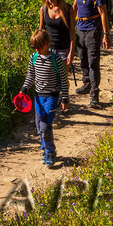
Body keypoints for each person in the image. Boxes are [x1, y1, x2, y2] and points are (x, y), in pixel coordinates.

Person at [19, 28, 69, 168]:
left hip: (51, 97)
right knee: (38, 125)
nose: (37, 50)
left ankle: (50, 152)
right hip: (38, 97)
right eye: (34, 47)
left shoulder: (56, 59)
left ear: (47, 44)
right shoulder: (34, 58)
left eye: (39, 47)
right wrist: (23, 90)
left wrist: (65, 98)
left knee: (45, 125)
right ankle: (45, 147)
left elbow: (63, 80)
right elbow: (30, 76)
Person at [70, 0, 112, 108]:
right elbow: (75, 6)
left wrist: (106, 34)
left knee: (93, 61)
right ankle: (86, 84)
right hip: (80, 28)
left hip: (93, 29)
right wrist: (70, 25)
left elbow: (103, 13)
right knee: (82, 58)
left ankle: (94, 95)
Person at [35, 0, 75, 70]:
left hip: (64, 49)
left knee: (63, 77)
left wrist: (71, 52)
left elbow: (72, 31)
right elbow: (40, 31)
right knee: (50, 76)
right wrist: (38, 48)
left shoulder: (67, 9)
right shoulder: (44, 10)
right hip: (48, 49)